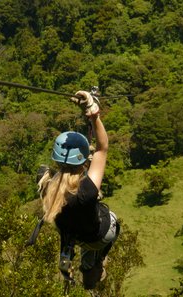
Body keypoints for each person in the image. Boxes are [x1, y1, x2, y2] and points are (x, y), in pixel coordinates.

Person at [37, 90, 120, 291]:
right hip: (98, 237)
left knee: (67, 222)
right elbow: (102, 148)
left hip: (72, 235)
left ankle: (69, 252)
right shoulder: (87, 190)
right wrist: (93, 115)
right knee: (112, 218)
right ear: (83, 161)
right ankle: (94, 263)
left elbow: (52, 173)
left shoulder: (45, 184)